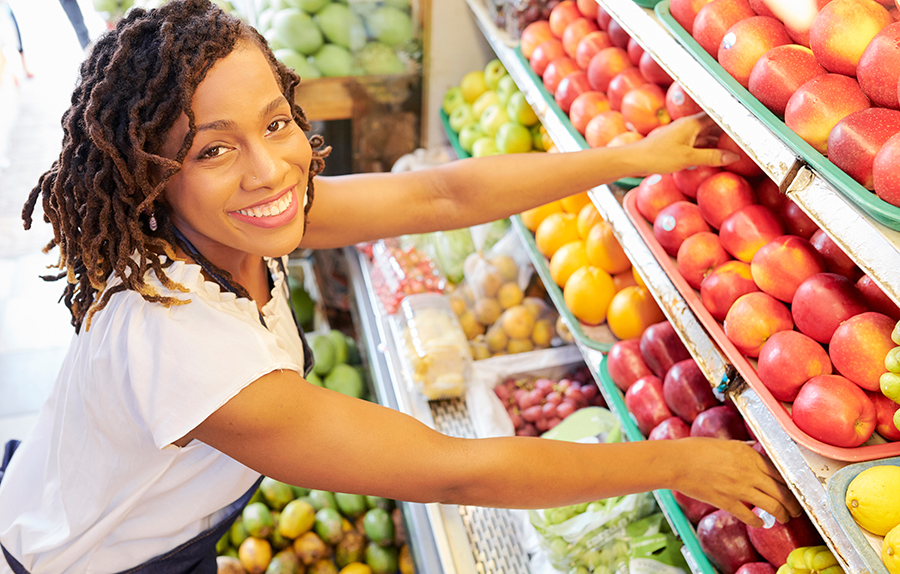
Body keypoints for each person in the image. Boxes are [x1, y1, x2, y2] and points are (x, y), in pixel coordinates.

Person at [0, 0, 801, 571]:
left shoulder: (233, 222)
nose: (269, 169)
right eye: (213, 150)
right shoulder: (184, 346)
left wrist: (630, 159)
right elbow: (455, 470)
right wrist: (678, 464)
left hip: (136, 520)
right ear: (152, 173)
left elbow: (438, 195)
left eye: (277, 123)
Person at [0, 1, 33, 79]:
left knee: (16, 37)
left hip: (5, 8)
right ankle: (14, 75)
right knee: (5, 44)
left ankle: (23, 68)